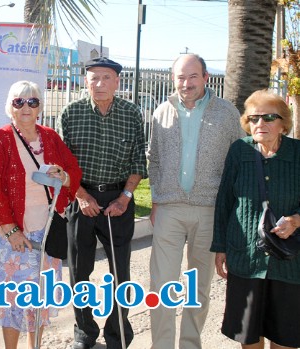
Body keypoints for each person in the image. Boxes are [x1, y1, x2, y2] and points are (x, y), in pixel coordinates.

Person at [147, 54, 243, 349]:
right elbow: (154, 159)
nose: (186, 83)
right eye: (180, 77)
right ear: (172, 79)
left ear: (205, 77)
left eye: (192, 76)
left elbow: (238, 162)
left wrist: (230, 212)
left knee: (198, 288)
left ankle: (190, 344)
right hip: (170, 209)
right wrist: (155, 201)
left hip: (209, 210)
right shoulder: (161, 112)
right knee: (162, 283)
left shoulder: (227, 113)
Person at [0, 80, 82, 349]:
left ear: (40, 107)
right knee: (13, 299)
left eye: (32, 102)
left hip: (47, 232)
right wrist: (11, 230)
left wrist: (64, 176)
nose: (26, 107)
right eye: (19, 102)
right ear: (10, 107)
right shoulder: (2, 139)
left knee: (42, 298)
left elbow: (72, 170)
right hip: (15, 233)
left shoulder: (50, 136)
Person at [57, 57, 147, 349]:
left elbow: (137, 162)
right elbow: (61, 164)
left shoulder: (132, 114)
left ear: (117, 82)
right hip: (81, 199)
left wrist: (125, 198)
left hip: (117, 202)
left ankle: (118, 333)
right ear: (85, 81)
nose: (99, 84)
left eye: (106, 78)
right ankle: (84, 332)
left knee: (120, 272)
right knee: (79, 272)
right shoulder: (70, 114)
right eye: (93, 78)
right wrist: (81, 196)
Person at [211, 90, 300, 349]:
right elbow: (225, 201)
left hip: (290, 262)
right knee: (248, 334)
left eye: (269, 117)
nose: (260, 123)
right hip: (246, 257)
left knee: (285, 334)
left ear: (283, 123)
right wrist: (220, 247)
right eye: (254, 118)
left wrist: (295, 220)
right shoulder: (239, 151)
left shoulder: (297, 154)